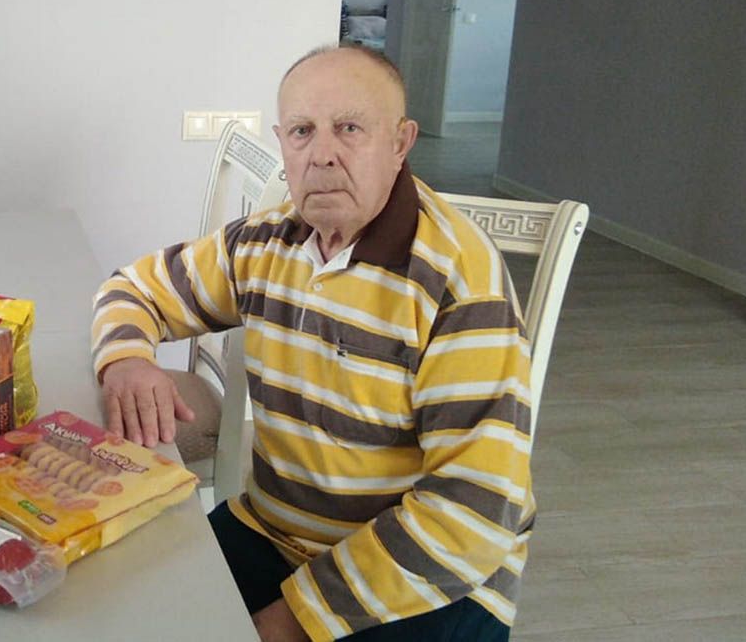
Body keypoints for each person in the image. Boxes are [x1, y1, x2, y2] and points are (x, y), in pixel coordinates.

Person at [90, 44, 532, 642]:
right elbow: (132, 288)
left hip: (425, 578)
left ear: (400, 143)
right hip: (275, 532)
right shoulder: (264, 243)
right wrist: (125, 359)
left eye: (349, 128)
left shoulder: (458, 280)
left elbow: (472, 511)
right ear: (282, 143)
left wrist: (295, 619)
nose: (322, 154)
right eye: (302, 131)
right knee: (125, 604)